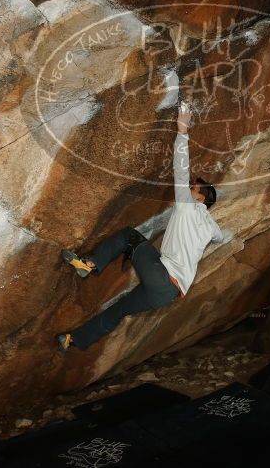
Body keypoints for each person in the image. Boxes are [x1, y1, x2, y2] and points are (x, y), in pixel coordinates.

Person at [57, 100, 223, 352]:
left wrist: (182, 131)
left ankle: (89, 265)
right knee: (121, 309)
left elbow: (181, 169)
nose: (189, 186)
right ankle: (74, 340)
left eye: (194, 187)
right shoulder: (211, 227)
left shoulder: (187, 204)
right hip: (167, 296)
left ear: (199, 198)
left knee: (129, 237)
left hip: (162, 276)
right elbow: (221, 236)